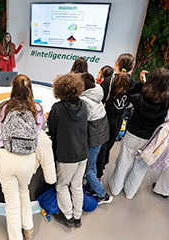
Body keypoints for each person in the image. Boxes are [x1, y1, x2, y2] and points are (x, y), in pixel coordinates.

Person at [109, 68, 169, 199]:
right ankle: (130, 193)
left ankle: (115, 189)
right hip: (151, 139)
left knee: (123, 162)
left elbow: (131, 93)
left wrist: (141, 83)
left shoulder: (140, 97)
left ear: (151, 80)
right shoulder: (168, 101)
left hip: (133, 134)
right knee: (140, 168)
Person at [0, 74, 44, 240]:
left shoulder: (4, 107)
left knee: (11, 203)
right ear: (30, 89)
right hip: (27, 158)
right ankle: (28, 228)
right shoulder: (37, 109)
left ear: (13, 89)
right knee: (24, 191)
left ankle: (15, 237)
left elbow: (3, 129)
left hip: (5, 155)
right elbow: (38, 132)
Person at [48, 73, 88, 229]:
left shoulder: (57, 108)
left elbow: (52, 129)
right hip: (82, 153)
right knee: (77, 185)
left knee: (62, 185)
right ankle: (78, 217)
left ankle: (68, 216)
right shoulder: (84, 105)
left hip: (66, 155)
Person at [96, 53, 136, 180]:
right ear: (132, 68)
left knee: (100, 147)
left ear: (117, 64)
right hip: (119, 120)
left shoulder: (109, 80)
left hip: (105, 119)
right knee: (108, 147)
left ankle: (97, 175)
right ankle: (101, 169)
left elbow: (100, 99)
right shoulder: (133, 83)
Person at [79, 73, 112, 204]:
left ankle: (102, 195)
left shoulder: (85, 101)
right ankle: (92, 187)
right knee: (92, 165)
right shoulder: (97, 90)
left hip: (94, 137)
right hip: (101, 133)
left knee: (88, 169)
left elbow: (81, 119)